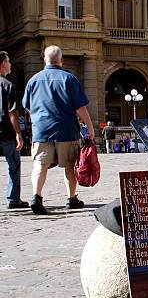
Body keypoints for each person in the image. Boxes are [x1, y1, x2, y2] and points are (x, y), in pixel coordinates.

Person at [22, 45, 94, 214]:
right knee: (70, 165)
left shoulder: (34, 80)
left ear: (44, 61)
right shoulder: (69, 79)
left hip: (41, 131)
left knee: (40, 165)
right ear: (61, 60)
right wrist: (89, 126)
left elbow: (27, 106)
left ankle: (36, 197)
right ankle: (71, 198)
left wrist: (37, 119)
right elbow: (80, 107)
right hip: (66, 130)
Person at [0, 51, 29, 209]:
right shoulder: (7, 85)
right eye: (8, 61)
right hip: (6, 133)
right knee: (14, 166)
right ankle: (13, 199)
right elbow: (12, 112)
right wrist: (18, 133)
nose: (10, 64)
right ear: (3, 64)